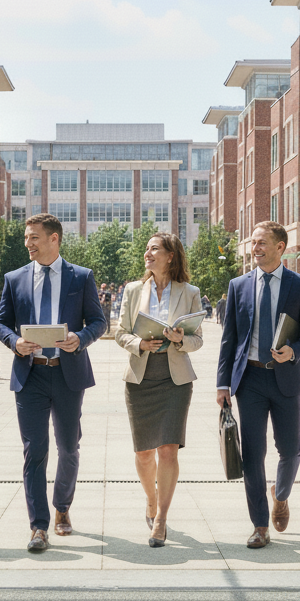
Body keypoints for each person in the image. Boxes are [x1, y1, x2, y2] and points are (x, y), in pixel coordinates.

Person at [0, 213, 107, 553]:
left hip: (67, 373)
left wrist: (81, 337)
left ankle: (62, 507)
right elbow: (2, 323)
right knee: (34, 451)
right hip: (29, 375)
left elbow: (99, 322)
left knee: (69, 447)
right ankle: (39, 526)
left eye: (34, 238)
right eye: (27, 238)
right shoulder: (14, 278)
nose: (27, 243)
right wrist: (14, 342)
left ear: (54, 239)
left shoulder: (81, 277)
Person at [216, 221, 300, 549]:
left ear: (280, 247)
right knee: (252, 454)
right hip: (250, 379)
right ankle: (260, 525)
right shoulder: (239, 285)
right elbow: (229, 338)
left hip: (286, 377)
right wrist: (222, 384)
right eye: (253, 243)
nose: (255, 248)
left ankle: (281, 495)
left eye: (261, 243)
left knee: (290, 449)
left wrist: (295, 350)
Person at [115, 232, 203, 548]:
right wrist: (139, 342)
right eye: (146, 249)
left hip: (175, 378)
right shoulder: (132, 290)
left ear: (170, 255)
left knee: (167, 449)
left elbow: (198, 339)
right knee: (143, 453)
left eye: (154, 249)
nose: (147, 254)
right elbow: (120, 333)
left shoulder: (190, 292)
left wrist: (180, 339)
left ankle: (162, 518)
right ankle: (150, 499)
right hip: (140, 376)